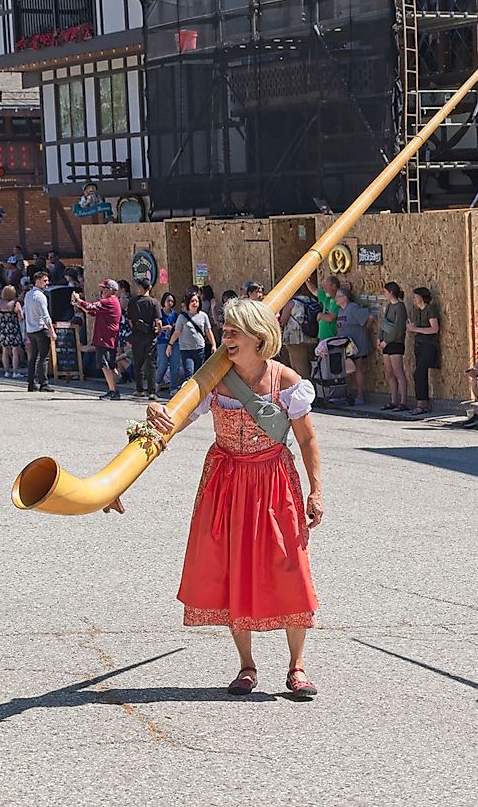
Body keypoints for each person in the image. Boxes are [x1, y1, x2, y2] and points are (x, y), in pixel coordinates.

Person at [142, 298, 323, 697]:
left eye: (232, 331)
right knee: (234, 568)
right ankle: (246, 666)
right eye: (224, 330)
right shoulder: (214, 380)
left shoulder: (287, 382)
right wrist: (157, 414)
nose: (224, 337)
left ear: (258, 338)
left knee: (290, 565)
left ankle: (297, 667)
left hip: (274, 480)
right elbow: (177, 419)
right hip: (227, 482)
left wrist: (316, 491)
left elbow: (307, 438)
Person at [74, 279, 123, 400]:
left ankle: (113, 391)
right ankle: (115, 386)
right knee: (110, 364)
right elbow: (92, 312)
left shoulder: (108, 301)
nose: (102, 291)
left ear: (111, 290)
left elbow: (91, 306)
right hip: (110, 337)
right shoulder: (113, 302)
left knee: (104, 364)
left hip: (105, 337)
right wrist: (79, 304)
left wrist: (79, 300)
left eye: (105, 288)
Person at [334, 287, 373, 405]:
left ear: (345, 298)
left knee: (358, 369)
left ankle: (360, 396)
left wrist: (364, 331)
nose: (336, 298)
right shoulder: (340, 311)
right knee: (347, 370)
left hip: (357, 344)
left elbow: (370, 317)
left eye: (338, 296)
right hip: (345, 345)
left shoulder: (353, 308)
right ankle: (348, 395)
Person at [168, 289, 216, 382]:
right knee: (189, 373)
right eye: (192, 301)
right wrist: (170, 345)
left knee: (199, 374)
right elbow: (177, 332)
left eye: (197, 301)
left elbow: (208, 331)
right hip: (186, 350)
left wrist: (213, 345)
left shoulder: (203, 316)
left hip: (199, 349)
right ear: (188, 303)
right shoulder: (182, 317)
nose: (194, 303)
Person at [406, 287, 441, 416]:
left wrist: (416, 329)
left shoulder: (430, 309)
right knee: (420, 373)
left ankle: (422, 404)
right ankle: (422, 402)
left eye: (415, 297)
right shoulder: (418, 311)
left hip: (429, 345)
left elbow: (434, 329)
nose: (414, 299)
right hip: (419, 345)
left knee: (419, 373)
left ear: (421, 297)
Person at [127, 277, 161, 400]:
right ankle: (152, 392)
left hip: (137, 336)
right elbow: (158, 321)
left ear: (139, 288)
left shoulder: (132, 302)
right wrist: (159, 331)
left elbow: (130, 321)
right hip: (150, 336)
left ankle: (139, 389)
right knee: (151, 364)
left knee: (138, 363)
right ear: (150, 288)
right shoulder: (154, 303)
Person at [377, 282, 409, 412]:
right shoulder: (389, 306)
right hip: (386, 342)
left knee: (398, 372)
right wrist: (380, 338)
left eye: (385, 292)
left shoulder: (400, 307)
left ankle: (403, 401)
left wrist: (387, 341)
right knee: (390, 373)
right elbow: (384, 323)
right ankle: (393, 400)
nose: (384, 294)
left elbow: (399, 328)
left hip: (395, 342)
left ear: (391, 292)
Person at [22, 270, 55, 394]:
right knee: (43, 357)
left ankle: (31, 382)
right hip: (41, 329)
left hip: (31, 329)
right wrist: (52, 330)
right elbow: (45, 315)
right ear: (38, 281)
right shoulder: (41, 296)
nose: (47, 283)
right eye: (44, 281)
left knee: (34, 357)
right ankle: (43, 383)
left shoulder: (28, 294)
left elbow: (26, 311)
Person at [279, 287, 316, 381]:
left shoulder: (291, 302)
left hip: (295, 338)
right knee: (310, 364)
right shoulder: (310, 300)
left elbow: (283, 320)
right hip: (310, 335)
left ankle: (303, 389)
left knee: (299, 366)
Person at [0, 285, 24, 379]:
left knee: (5, 350)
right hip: (14, 328)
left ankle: (6, 371)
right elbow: (21, 317)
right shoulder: (15, 303)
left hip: (3, 328)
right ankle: (15, 372)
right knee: (15, 351)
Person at [155, 292, 182, 392]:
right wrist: (164, 327)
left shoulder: (175, 314)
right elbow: (156, 328)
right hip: (162, 341)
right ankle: (156, 381)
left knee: (175, 364)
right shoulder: (160, 313)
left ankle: (174, 387)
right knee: (163, 363)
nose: (170, 303)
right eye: (168, 301)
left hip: (174, 341)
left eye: (172, 301)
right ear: (164, 302)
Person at [307, 276, 340, 343]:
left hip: (331, 337)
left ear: (334, 286)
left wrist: (320, 315)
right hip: (322, 337)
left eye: (326, 286)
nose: (324, 288)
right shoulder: (327, 297)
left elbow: (330, 317)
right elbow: (314, 291)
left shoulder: (338, 300)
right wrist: (307, 280)